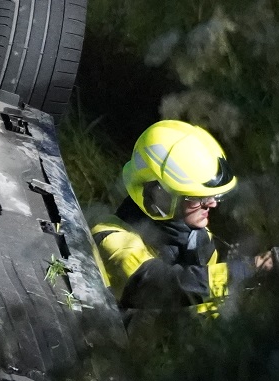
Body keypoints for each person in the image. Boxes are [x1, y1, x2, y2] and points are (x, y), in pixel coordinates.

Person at [90, 120, 236, 314]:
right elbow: (156, 285)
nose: (212, 204)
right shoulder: (109, 237)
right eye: (197, 198)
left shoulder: (200, 239)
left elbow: (207, 317)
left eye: (213, 196)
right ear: (159, 195)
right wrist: (238, 273)